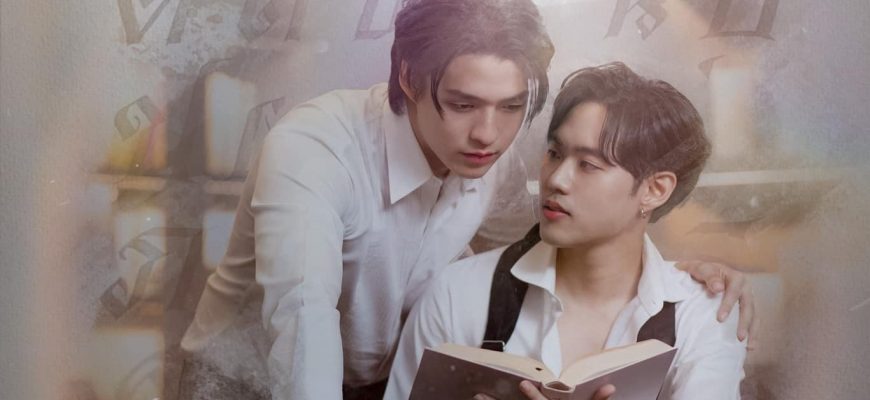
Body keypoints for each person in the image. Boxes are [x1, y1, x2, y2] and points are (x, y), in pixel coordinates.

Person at [180, 1, 756, 399]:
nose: (489, 135)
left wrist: (671, 281)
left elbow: (550, 237)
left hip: (383, 382)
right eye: (462, 104)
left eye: (511, 107)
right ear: (409, 76)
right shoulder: (314, 151)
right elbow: (302, 324)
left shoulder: (495, 156)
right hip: (248, 382)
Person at [386, 63, 747, 400]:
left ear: (655, 189)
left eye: (588, 165)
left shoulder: (702, 313)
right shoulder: (458, 293)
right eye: (555, 153)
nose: (556, 179)